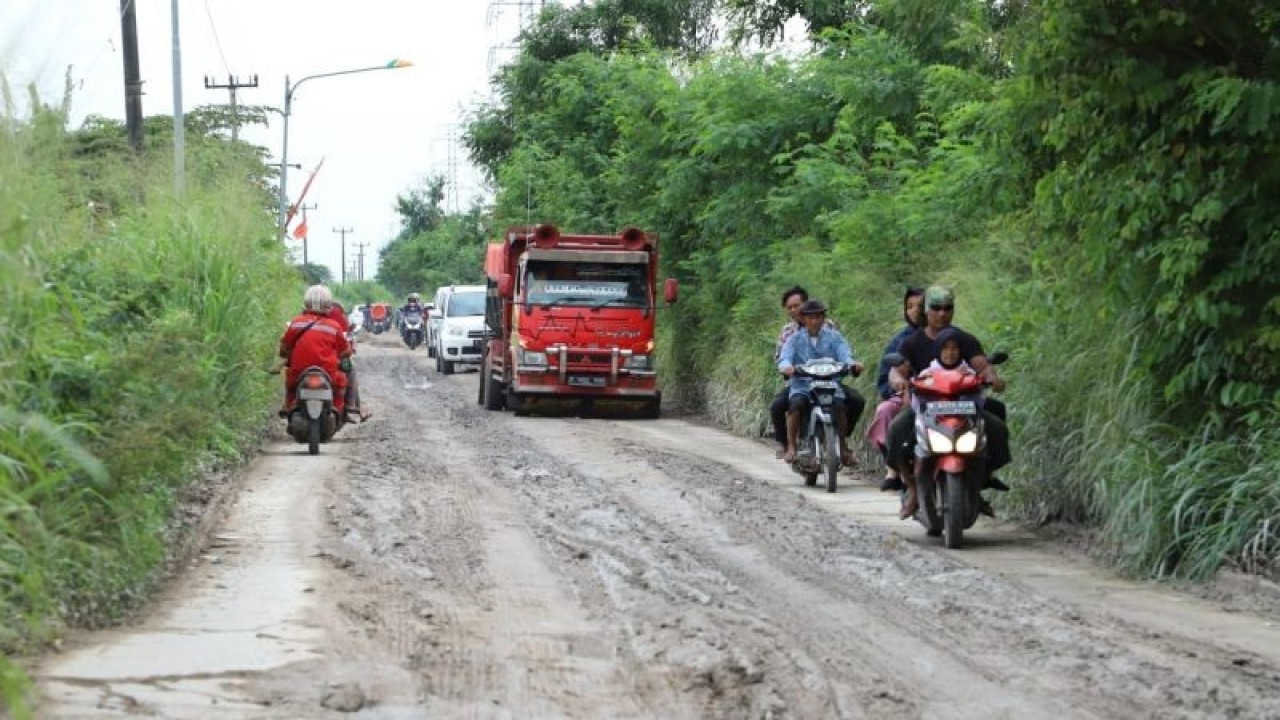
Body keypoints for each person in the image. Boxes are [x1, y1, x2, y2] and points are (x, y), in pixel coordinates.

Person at [885, 285, 1010, 519]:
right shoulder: (912, 342)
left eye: (947, 308)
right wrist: (900, 381)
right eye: (936, 308)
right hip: (925, 408)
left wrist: (993, 378)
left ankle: (981, 478)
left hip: (964, 407)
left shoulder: (965, 339)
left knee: (997, 429)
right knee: (896, 431)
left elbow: (982, 365)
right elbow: (896, 370)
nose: (942, 313)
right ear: (926, 310)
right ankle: (912, 487)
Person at [769, 286, 866, 457]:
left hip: (830, 382)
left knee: (844, 404)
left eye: (818, 316)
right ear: (805, 319)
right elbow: (783, 356)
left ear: (823, 317)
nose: (814, 321)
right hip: (802, 383)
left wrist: (853, 364)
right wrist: (786, 367)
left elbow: (845, 354)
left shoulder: (833, 334)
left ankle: (842, 445)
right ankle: (789, 446)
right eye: (810, 317)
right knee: (791, 404)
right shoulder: (791, 336)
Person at [865, 287, 925, 490]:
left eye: (921, 305)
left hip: (945, 398)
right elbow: (888, 372)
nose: (916, 311)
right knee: (885, 411)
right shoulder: (902, 341)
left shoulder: (949, 337)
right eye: (910, 306)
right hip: (909, 396)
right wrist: (898, 387)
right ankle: (894, 468)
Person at [279, 285, 353, 421]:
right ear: (328, 304)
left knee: (291, 383)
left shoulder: (296, 323)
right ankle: (338, 409)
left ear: (306, 303)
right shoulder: (334, 326)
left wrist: (286, 356)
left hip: (299, 371)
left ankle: (288, 406)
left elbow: (284, 347)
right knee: (341, 381)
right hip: (328, 371)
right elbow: (345, 351)